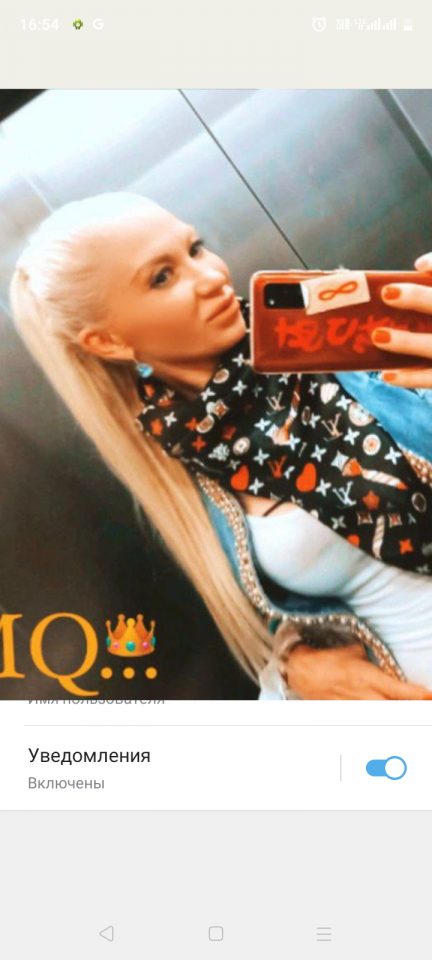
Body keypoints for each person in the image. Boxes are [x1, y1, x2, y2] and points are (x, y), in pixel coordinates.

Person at [9, 192, 432, 700]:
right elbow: (295, 615)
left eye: (195, 248)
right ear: (109, 342)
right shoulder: (183, 464)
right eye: (161, 277)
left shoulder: (338, 335)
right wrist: (292, 668)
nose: (211, 276)